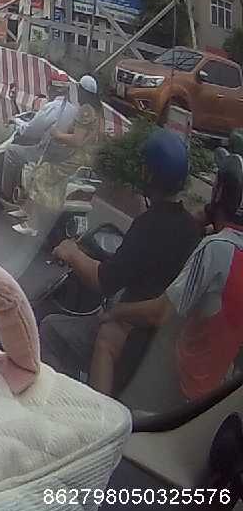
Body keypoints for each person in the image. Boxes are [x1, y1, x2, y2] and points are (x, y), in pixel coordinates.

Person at [40, 127, 202, 393]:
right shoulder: (190, 227)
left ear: (148, 173)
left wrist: (71, 252)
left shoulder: (149, 225)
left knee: (50, 330)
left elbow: (104, 281)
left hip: (129, 331)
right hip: (157, 340)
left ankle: (70, 407)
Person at [97, 148, 243, 402]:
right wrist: (208, 216)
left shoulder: (215, 248)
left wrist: (116, 311)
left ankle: (98, 419)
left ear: (219, 192)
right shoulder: (228, 247)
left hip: (180, 378)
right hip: (216, 382)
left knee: (107, 337)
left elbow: (160, 313)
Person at [12, 74, 104, 237]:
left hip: (75, 156)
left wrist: (57, 134)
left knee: (41, 175)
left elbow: (77, 140)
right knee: (40, 168)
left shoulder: (85, 110)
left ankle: (32, 224)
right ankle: (26, 209)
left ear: (82, 91)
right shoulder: (98, 112)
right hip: (86, 157)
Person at [0, 74, 76, 203]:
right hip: (64, 156)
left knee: (11, 151)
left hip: (44, 153)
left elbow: (31, 131)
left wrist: (16, 122)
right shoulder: (74, 111)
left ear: (50, 89)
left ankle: (6, 194)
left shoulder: (51, 107)